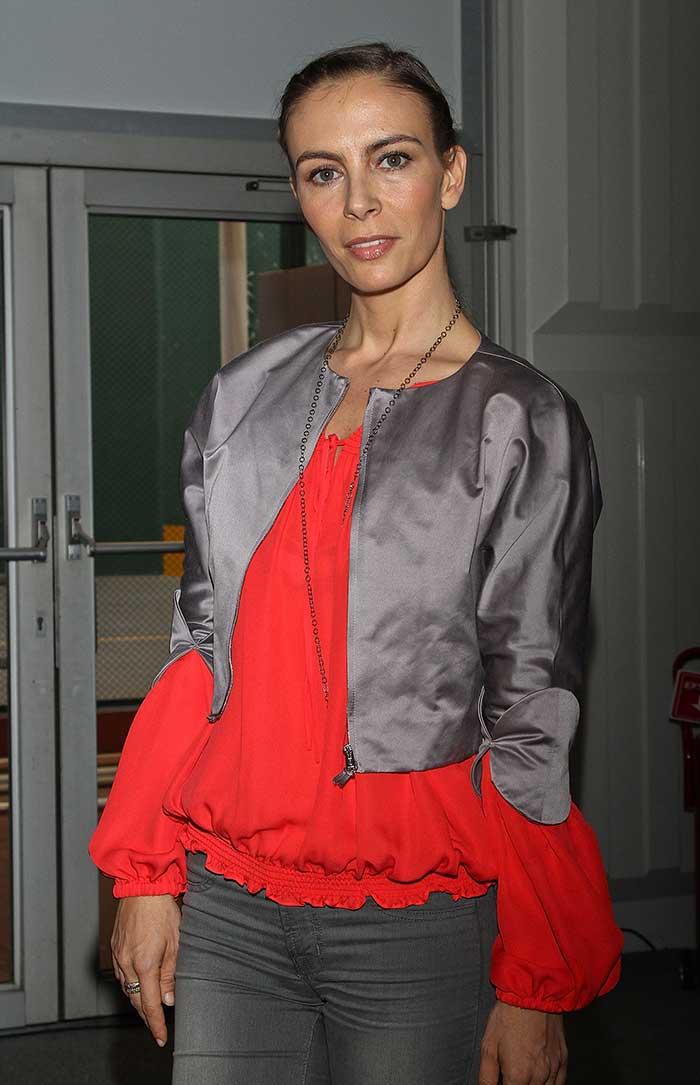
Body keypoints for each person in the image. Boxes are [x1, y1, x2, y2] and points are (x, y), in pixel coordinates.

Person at [88, 41, 623, 1085]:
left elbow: (532, 708)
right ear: (299, 192)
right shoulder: (242, 396)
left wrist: (534, 976)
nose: (360, 203)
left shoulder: (519, 419)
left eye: (393, 159)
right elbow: (200, 643)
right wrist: (148, 870)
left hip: (418, 916)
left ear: (451, 174)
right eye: (323, 171)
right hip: (231, 902)